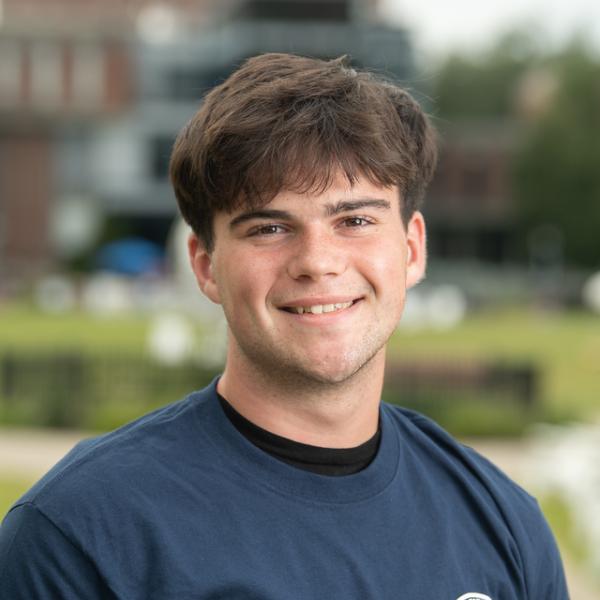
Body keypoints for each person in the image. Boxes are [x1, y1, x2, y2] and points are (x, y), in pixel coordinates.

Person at [0, 53, 568, 599]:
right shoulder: (81, 535)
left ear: (413, 249)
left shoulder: (503, 522)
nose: (317, 261)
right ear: (205, 267)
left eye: (356, 219)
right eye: (270, 228)